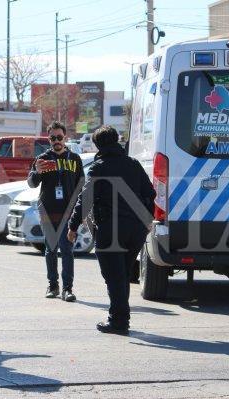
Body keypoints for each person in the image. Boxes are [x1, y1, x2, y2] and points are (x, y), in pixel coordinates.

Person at [68, 126, 155, 335]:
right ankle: (121, 318)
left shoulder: (99, 168)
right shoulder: (133, 164)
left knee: (114, 277)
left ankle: (118, 321)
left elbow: (85, 199)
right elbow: (150, 193)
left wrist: (73, 226)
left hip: (110, 229)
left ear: (98, 145)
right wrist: (146, 220)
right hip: (136, 230)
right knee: (122, 274)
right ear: (117, 140)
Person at [28, 121, 84, 302]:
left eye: (59, 137)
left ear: (65, 137)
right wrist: (36, 172)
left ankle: (67, 289)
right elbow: (31, 183)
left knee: (67, 249)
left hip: (68, 211)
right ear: (48, 139)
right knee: (50, 249)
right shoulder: (42, 159)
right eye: (52, 138)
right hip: (48, 210)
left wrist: (80, 212)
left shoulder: (74, 159)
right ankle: (53, 285)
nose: (56, 141)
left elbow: (81, 186)